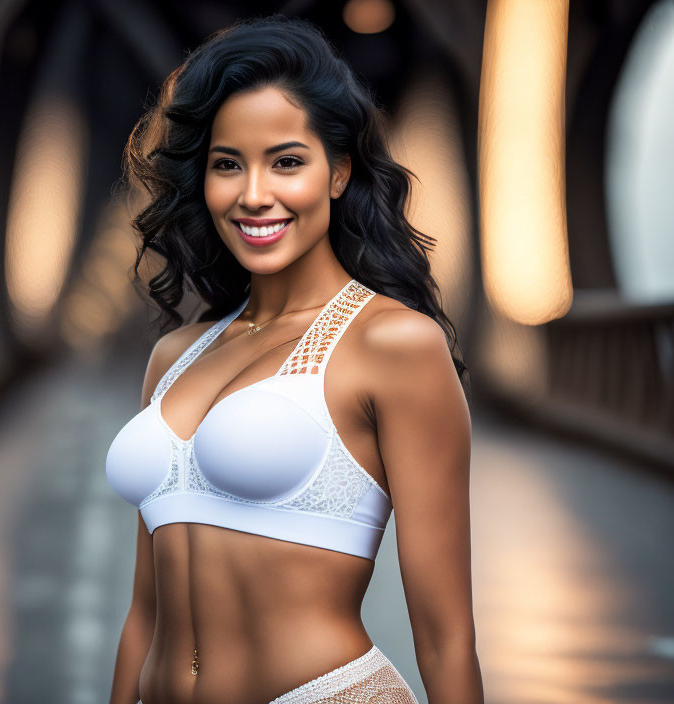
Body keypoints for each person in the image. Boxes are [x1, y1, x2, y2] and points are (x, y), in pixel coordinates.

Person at [105, 14, 482, 704]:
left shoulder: (393, 344)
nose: (254, 194)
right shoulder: (174, 357)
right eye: (228, 164)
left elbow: (446, 634)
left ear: (338, 172)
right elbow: (144, 615)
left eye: (286, 161)